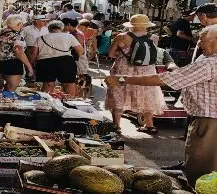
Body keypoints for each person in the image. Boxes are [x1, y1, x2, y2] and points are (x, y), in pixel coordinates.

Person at [105, 24, 217, 186]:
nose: (198, 44)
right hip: (205, 116)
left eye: (202, 40)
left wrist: (121, 79)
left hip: (209, 119)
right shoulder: (206, 59)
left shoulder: (209, 64)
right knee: (200, 159)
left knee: (203, 167)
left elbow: (164, 80)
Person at [105, 14, 165, 134]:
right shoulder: (153, 37)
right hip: (145, 71)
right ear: (147, 26)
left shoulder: (122, 37)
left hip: (123, 70)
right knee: (146, 95)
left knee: (119, 93)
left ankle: (116, 125)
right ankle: (149, 125)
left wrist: (122, 55)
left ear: (131, 25)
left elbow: (111, 54)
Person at [31, 20, 83, 96]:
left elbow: (33, 54)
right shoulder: (69, 36)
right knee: (68, 84)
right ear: (61, 28)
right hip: (65, 61)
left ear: (48, 28)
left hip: (45, 62)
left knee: (48, 84)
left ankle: (45, 104)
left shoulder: (40, 38)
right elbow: (80, 51)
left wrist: (32, 66)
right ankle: (70, 104)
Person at [0, 15, 33, 92]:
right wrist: (29, 67)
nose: (23, 27)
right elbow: (18, 51)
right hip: (12, 64)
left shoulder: (0, 32)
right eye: (22, 25)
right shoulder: (17, 35)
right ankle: (6, 103)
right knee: (11, 88)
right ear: (19, 24)